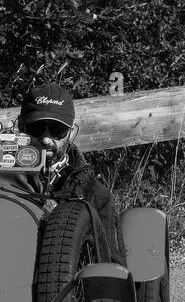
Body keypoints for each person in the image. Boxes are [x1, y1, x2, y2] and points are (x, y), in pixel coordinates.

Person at [16, 82, 123, 262]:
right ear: (21, 127)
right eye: (36, 128)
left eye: (57, 131)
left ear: (71, 133)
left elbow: (110, 268)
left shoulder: (95, 195)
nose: (46, 139)